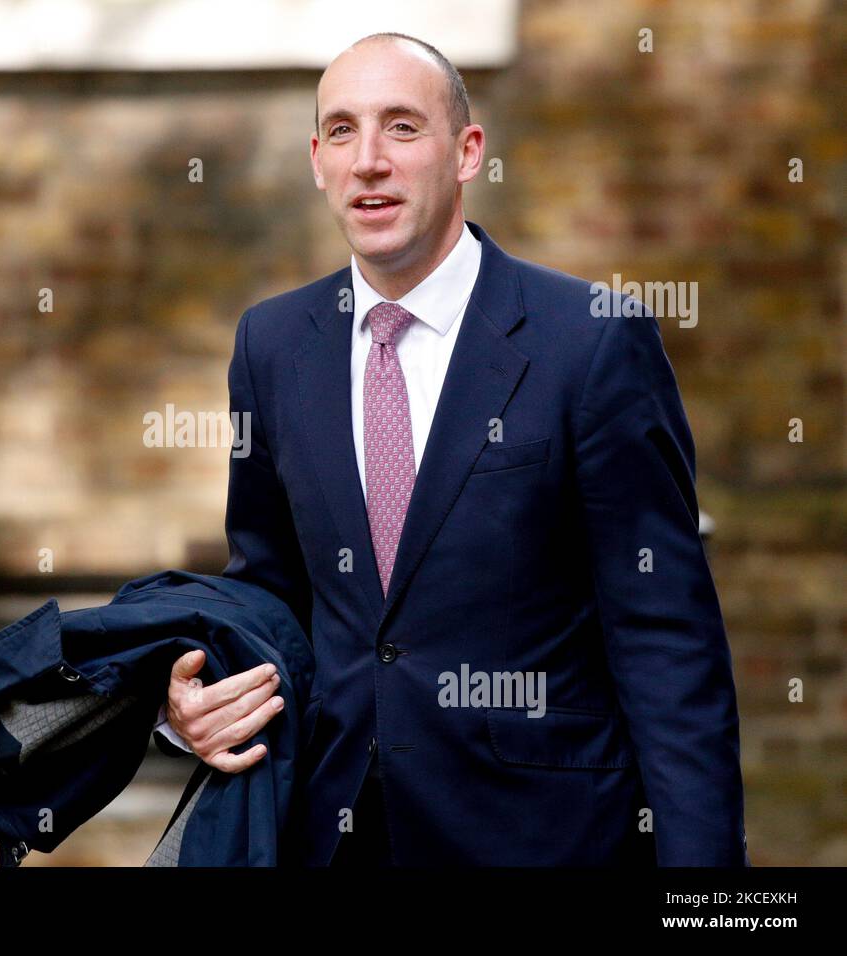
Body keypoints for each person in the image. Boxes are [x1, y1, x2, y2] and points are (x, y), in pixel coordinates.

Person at [154, 32, 748, 867]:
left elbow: (666, 642)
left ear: (468, 151)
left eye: (402, 127)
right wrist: (195, 700)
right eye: (341, 131)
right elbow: (271, 593)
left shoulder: (590, 342)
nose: (368, 161)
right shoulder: (273, 344)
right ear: (317, 161)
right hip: (334, 833)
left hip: (545, 836)